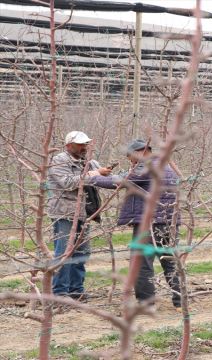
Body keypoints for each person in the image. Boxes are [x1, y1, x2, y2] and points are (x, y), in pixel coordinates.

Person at [47, 131, 116, 301]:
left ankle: (76, 290)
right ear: (68, 145)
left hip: (85, 214)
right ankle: (60, 293)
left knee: (82, 253)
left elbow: (102, 180)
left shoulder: (90, 162)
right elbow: (68, 182)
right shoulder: (59, 160)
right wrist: (96, 173)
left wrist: (124, 180)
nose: (84, 147)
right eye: (80, 144)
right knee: (64, 253)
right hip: (65, 213)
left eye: (85, 144)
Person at [117, 139, 182, 310]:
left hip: (150, 223)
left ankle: (147, 304)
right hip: (169, 222)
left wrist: (92, 177)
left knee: (141, 261)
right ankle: (180, 301)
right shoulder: (166, 166)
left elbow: (119, 181)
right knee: (170, 260)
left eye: (131, 157)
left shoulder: (147, 167)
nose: (131, 162)